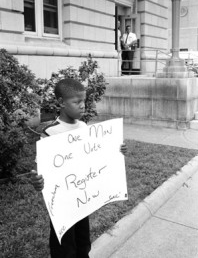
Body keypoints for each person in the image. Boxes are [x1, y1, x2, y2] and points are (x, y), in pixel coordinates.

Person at [29, 78, 127, 258]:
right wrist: (38, 180)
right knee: (64, 249)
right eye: (76, 102)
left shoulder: (83, 127)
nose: (82, 106)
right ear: (61, 103)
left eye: (84, 101)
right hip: (62, 205)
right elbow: (40, 170)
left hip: (82, 200)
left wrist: (117, 151)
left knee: (83, 243)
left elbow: (94, 155)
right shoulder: (50, 133)